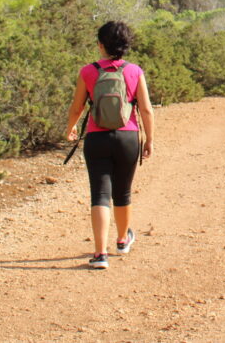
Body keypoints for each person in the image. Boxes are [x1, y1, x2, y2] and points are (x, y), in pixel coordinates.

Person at [65, 21, 154, 270]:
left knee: (100, 194)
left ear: (100, 44)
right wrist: (149, 140)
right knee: (123, 192)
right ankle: (123, 240)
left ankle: (100, 253)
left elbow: (77, 107)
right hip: (127, 138)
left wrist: (70, 127)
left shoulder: (88, 71)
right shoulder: (135, 71)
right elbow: (146, 110)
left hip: (97, 138)